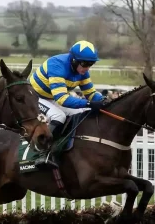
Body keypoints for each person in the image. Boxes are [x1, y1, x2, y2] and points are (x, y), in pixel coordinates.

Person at [29, 41, 106, 169]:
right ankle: (41, 154)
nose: (87, 68)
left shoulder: (83, 72)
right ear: (74, 61)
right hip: (34, 97)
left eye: (91, 64)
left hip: (51, 97)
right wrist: (89, 103)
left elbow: (90, 93)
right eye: (85, 64)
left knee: (83, 113)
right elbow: (62, 99)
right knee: (59, 116)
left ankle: (67, 149)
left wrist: (102, 100)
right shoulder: (57, 65)